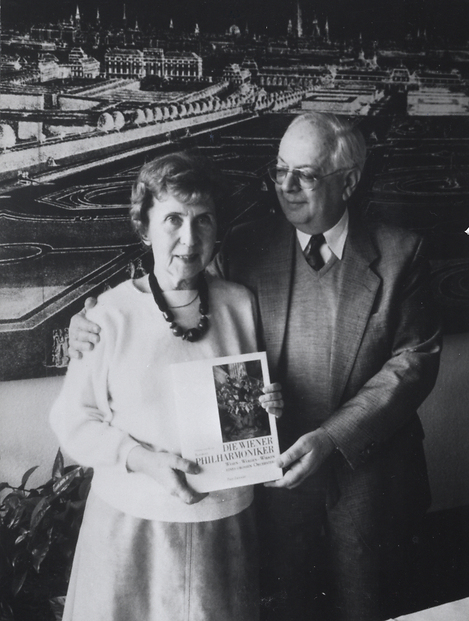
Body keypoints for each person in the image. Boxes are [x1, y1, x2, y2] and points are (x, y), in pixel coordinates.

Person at [69, 113, 441, 621]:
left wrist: (332, 436)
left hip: (369, 483)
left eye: (305, 174)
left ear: (349, 181)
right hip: (273, 491)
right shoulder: (244, 246)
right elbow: (177, 295)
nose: (286, 187)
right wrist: (87, 325)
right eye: (279, 169)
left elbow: (413, 362)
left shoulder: (402, 253)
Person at [50, 152, 283, 621]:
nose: (189, 238)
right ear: (145, 226)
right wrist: (143, 460)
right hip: (133, 526)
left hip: (224, 522)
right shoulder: (107, 316)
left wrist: (270, 406)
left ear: (218, 230)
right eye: (173, 219)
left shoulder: (240, 305)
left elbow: (247, 411)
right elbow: (72, 419)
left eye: (203, 221)